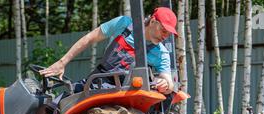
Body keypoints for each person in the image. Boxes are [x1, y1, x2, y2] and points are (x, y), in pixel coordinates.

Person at [40, 7, 178, 95]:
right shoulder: (124, 25)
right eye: (164, 30)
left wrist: (165, 84)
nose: (165, 36)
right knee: (59, 103)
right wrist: (62, 62)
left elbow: (169, 82)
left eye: (169, 34)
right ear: (153, 21)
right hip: (97, 82)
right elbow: (89, 38)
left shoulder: (161, 53)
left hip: (127, 93)